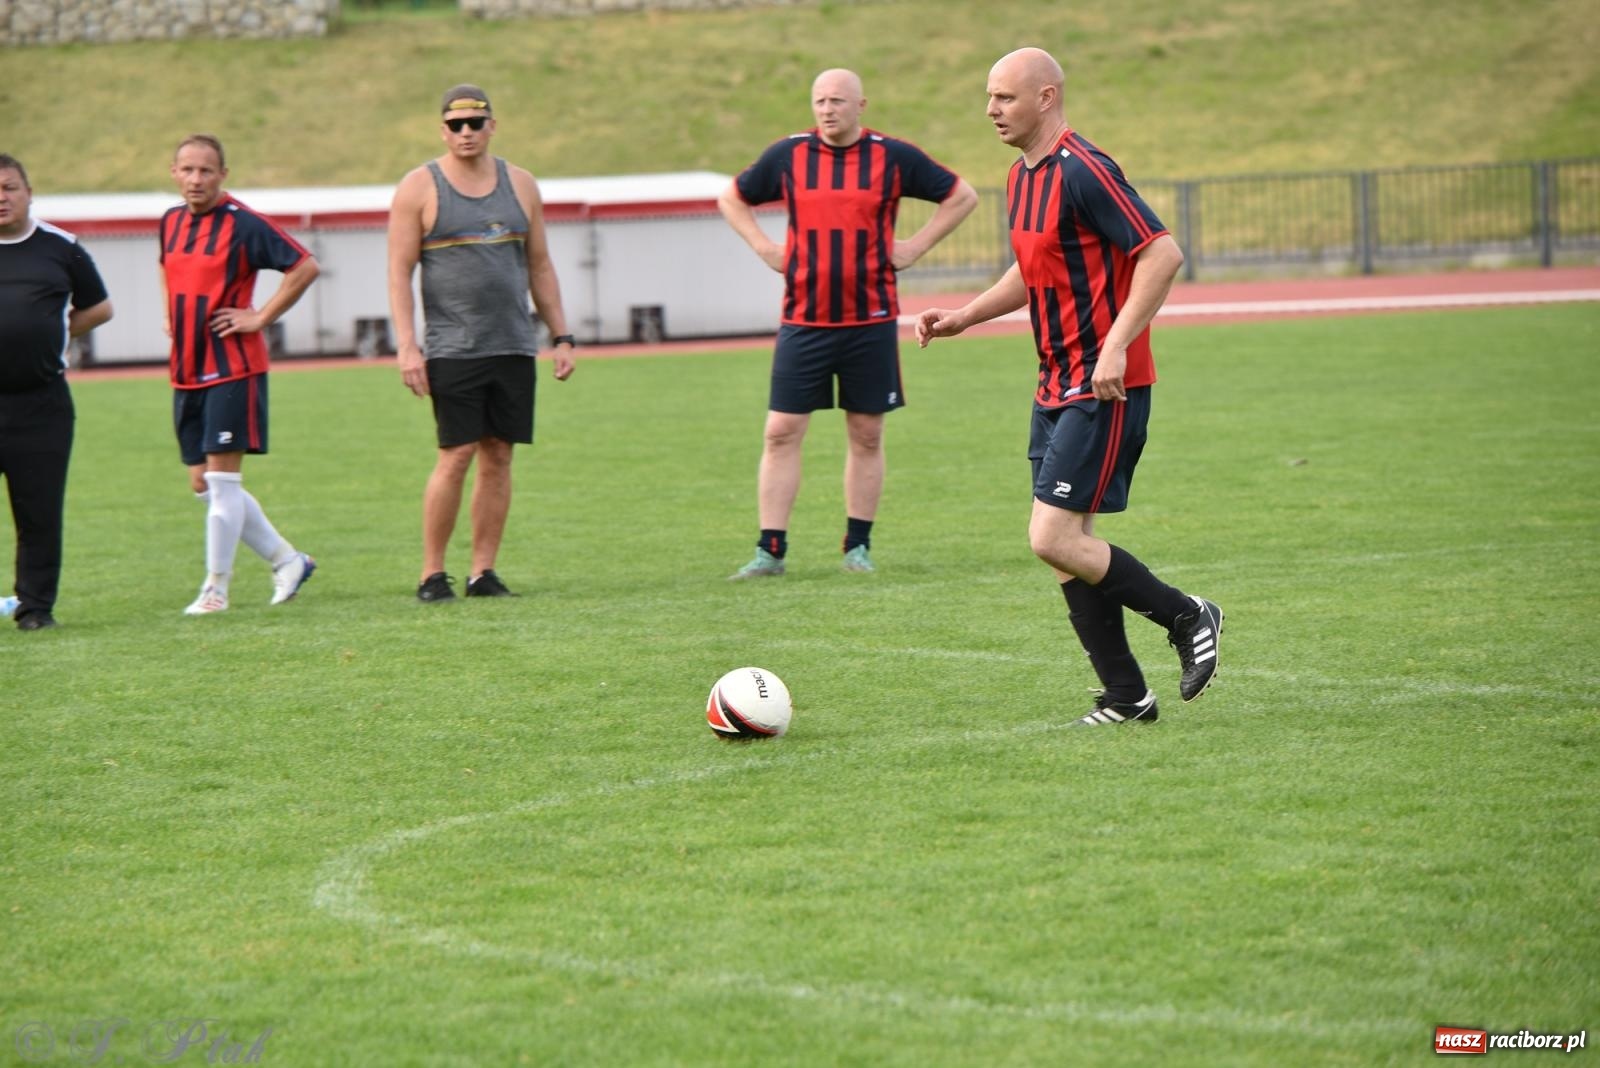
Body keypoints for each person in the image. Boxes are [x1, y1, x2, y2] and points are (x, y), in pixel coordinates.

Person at [914, 48, 1224, 725]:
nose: (991, 110)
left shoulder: (1085, 170)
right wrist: (964, 315)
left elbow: (1162, 253)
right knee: (1065, 547)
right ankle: (1127, 696)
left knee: (1052, 537)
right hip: (1054, 383)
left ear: (1047, 97)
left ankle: (1187, 615)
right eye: (989, 98)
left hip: (1103, 386)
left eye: (1005, 98)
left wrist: (1115, 346)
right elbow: (1031, 270)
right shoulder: (1022, 176)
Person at [719, 68, 978, 579]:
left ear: (862, 104)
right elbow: (732, 197)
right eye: (819, 100)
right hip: (804, 319)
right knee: (780, 432)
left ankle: (856, 548)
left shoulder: (893, 156)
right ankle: (769, 551)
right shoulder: (788, 155)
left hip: (870, 320)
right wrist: (765, 248)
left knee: (865, 434)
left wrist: (914, 247)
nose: (827, 109)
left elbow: (961, 195)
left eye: (837, 100)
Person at [387, 84, 576, 603]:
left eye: (475, 123)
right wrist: (407, 346)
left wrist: (561, 336)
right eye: (455, 125)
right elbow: (399, 274)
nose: (465, 133)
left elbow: (539, 264)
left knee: (499, 455)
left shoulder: (521, 184)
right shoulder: (418, 188)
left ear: (492, 125)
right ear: (442, 130)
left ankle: (482, 573)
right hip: (452, 346)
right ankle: (432, 574)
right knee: (456, 454)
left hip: (513, 343)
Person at [161, 134, 320, 616]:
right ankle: (287, 560)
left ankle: (216, 590)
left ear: (222, 175)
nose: (196, 179)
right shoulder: (168, 222)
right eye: (187, 169)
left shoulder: (243, 224)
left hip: (232, 367)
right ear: (174, 172)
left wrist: (260, 316)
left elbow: (304, 266)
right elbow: (165, 269)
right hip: (185, 370)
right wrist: (171, 314)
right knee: (203, 483)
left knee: (223, 482)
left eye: (206, 170)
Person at [0, 153, 113, 631]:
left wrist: (55, 332)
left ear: (29, 193)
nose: (1, 198)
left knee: (39, 512)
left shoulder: (62, 248)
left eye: (9, 187)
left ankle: (35, 609)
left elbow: (99, 307)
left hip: (41, 403)